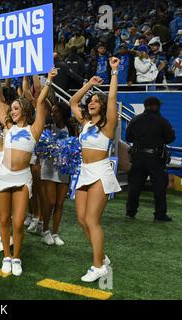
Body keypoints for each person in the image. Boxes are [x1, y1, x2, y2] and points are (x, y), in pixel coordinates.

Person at [0, 67, 47, 276]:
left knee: (18, 222)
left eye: (15, 108)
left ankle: (17, 257)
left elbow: (40, 103)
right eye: (11, 108)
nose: (12, 111)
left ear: (23, 109)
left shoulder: (33, 129)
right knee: (3, 220)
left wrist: (48, 82)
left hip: (22, 178)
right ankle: (6, 255)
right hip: (3, 175)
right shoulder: (8, 127)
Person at [69, 57, 122, 282]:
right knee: (81, 219)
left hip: (101, 171)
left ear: (102, 106)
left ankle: (98, 265)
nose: (92, 102)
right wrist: (89, 84)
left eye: (96, 101)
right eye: (90, 101)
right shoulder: (85, 123)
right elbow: (73, 101)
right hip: (84, 171)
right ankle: (101, 255)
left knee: (92, 220)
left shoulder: (108, 125)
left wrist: (114, 72)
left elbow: (112, 97)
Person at [125, 97, 175, 221]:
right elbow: (170, 138)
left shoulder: (135, 120)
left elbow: (128, 138)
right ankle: (160, 214)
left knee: (134, 186)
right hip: (155, 158)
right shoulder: (162, 121)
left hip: (137, 157)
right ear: (157, 106)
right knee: (159, 186)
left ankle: (130, 213)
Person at [40, 102, 75, 246]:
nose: (53, 114)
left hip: (64, 169)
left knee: (60, 204)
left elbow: (75, 146)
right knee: (50, 202)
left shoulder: (71, 128)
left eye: (56, 112)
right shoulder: (47, 127)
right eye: (52, 112)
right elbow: (41, 148)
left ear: (63, 113)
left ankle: (55, 233)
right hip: (48, 169)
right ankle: (45, 230)